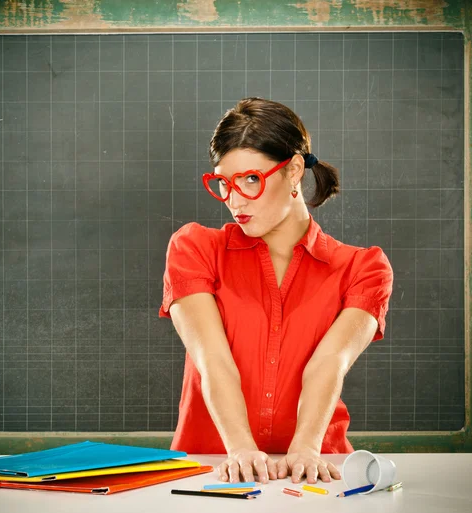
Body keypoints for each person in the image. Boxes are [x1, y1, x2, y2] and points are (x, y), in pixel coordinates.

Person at [159, 98, 393, 486]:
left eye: (251, 179)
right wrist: (240, 449)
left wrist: (305, 448)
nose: (234, 200)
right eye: (224, 183)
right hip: (214, 470)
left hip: (317, 471)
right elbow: (212, 359)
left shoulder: (363, 268)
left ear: (295, 170)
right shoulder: (195, 249)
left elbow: (329, 363)